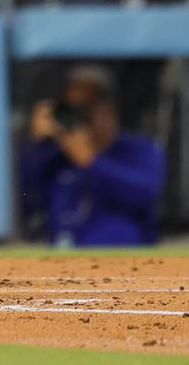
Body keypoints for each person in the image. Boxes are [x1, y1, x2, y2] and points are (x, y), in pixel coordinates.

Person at [21, 65, 164, 246]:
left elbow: (145, 194)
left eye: (86, 108)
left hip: (123, 258)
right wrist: (37, 146)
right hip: (63, 260)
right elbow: (28, 204)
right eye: (71, 109)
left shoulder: (139, 149)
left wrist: (92, 162)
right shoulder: (56, 158)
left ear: (109, 109)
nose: (81, 118)